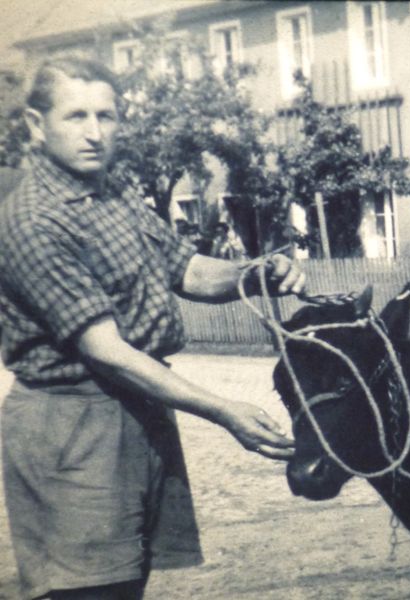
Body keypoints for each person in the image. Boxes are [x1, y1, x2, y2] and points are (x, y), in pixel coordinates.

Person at [0, 57, 306, 600]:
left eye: (107, 115)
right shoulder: (30, 219)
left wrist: (255, 274)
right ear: (34, 125)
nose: (95, 133)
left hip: (138, 413)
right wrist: (225, 410)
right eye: (76, 116)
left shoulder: (113, 193)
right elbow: (107, 351)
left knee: (126, 585)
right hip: (72, 429)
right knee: (87, 591)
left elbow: (186, 269)